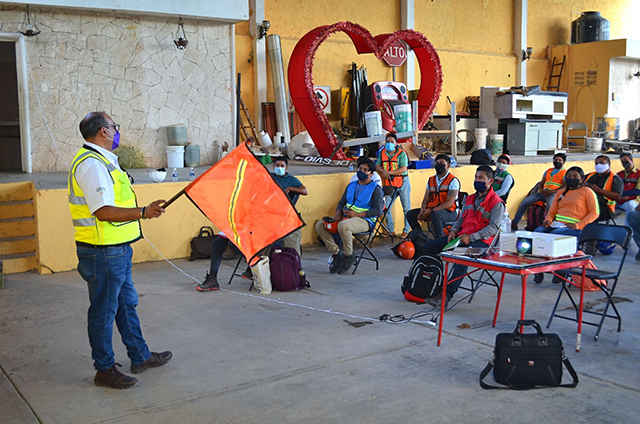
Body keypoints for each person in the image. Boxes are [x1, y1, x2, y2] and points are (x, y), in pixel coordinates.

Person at [69, 112, 172, 389]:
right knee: (104, 312)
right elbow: (102, 211)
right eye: (115, 127)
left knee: (127, 305)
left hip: (117, 249)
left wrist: (143, 211)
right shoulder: (92, 165)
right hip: (103, 251)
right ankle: (104, 369)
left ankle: (140, 356)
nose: (117, 132)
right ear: (103, 131)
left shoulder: (103, 161)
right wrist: (143, 212)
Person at [197, 157, 308, 291]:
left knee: (235, 243)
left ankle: (253, 263)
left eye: (282, 165)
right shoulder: (268, 178)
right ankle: (213, 278)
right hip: (254, 216)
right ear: (273, 167)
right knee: (218, 243)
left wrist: (289, 188)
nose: (279, 167)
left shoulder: (290, 180)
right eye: (277, 165)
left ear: (286, 167)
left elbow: (304, 191)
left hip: (273, 221)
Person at [423, 166, 505, 307]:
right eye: (476, 177)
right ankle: (431, 284)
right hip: (461, 237)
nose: (477, 180)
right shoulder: (469, 198)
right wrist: (454, 230)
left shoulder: (496, 202)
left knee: (460, 257)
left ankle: (446, 295)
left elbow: (493, 228)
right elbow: (461, 219)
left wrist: (471, 238)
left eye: (481, 178)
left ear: (490, 181)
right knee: (428, 247)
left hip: (482, 242)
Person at [316, 159, 384, 274]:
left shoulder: (376, 189)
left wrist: (357, 214)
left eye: (365, 170)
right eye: (360, 168)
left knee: (343, 226)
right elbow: (342, 202)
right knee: (320, 225)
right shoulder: (351, 185)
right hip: (346, 217)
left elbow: (378, 211)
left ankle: (349, 255)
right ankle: (336, 254)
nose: (361, 171)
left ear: (372, 173)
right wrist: (337, 213)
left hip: (365, 221)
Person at [532, 166, 599, 283]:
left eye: (575, 177)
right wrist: (548, 220)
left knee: (555, 235)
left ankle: (560, 270)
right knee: (538, 233)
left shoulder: (587, 192)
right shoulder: (561, 192)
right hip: (556, 224)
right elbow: (552, 211)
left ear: (582, 179)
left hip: (574, 227)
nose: (571, 179)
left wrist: (579, 224)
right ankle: (538, 269)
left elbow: (595, 213)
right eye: (569, 176)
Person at [406, 154, 459, 239]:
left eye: (442, 162)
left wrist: (430, 211)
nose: (439, 164)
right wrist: (422, 210)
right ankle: (421, 238)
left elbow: (449, 203)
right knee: (410, 214)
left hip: (450, 212)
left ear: (448, 165)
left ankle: (439, 241)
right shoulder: (431, 179)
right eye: (437, 163)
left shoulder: (453, 181)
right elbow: (426, 199)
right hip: (432, 210)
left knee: (436, 216)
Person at [511, 153, 567, 231]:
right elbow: (542, 182)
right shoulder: (548, 171)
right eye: (555, 160)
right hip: (543, 193)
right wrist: (541, 190)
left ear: (563, 162)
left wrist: (551, 192)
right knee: (525, 202)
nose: (557, 161)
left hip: (553, 194)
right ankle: (515, 222)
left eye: (559, 160)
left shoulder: (564, 172)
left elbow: (564, 187)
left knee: (550, 206)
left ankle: (548, 225)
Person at [375, 132, 411, 238]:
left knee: (406, 208)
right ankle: (390, 230)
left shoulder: (402, 153)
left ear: (396, 143)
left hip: (403, 182)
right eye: (387, 142)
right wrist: (382, 170)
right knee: (386, 207)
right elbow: (377, 165)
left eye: (391, 142)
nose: (389, 144)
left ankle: (406, 230)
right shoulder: (382, 153)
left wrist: (388, 173)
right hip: (389, 183)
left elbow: (403, 168)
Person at [584, 155, 623, 222]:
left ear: (609, 164)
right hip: (587, 203)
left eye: (602, 163)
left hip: (604, 208)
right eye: (596, 163)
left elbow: (617, 197)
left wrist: (598, 190)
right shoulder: (591, 175)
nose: (599, 165)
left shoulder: (615, 178)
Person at [616, 152, 640, 225]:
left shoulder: (638, 174)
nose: (624, 162)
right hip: (618, 200)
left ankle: (629, 230)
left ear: (631, 160)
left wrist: (622, 195)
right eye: (622, 161)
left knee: (631, 207)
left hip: (632, 200)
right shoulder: (619, 174)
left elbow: (637, 191)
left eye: (625, 160)